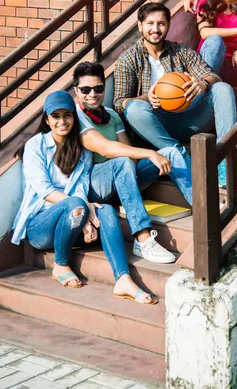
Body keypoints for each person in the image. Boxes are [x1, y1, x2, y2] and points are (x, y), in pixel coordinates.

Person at [12, 90, 157, 304]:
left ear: (74, 116)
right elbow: (44, 190)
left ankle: (123, 279)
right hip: (40, 226)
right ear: (47, 119)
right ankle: (60, 264)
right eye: (56, 116)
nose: (62, 121)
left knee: (106, 210)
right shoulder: (36, 145)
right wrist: (80, 207)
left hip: (72, 219)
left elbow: (80, 186)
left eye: (67, 115)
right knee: (78, 205)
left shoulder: (82, 150)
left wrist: (85, 212)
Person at [73, 61, 191, 264]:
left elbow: (129, 155)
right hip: (93, 187)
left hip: (123, 178)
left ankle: (205, 206)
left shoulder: (110, 114)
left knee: (170, 152)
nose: (92, 94)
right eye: (85, 89)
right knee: (122, 162)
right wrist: (150, 154)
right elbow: (105, 149)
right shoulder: (75, 116)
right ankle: (142, 239)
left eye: (98, 88)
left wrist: (152, 158)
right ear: (76, 90)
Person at [113, 2, 237, 189]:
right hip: (156, 127)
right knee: (134, 108)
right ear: (140, 26)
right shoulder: (128, 58)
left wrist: (202, 84)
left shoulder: (180, 51)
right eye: (150, 23)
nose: (156, 29)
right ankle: (180, 155)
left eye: (161, 24)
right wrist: (147, 97)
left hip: (189, 119)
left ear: (168, 26)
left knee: (222, 88)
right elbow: (119, 103)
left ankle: (225, 161)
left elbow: (211, 75)